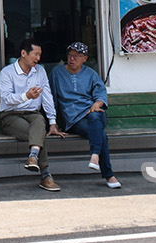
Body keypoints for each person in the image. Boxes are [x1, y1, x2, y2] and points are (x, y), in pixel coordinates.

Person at [51, 42, 120, 189]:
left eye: (77, 56)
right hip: (74, 118)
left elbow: (100, 93)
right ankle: (108, 174)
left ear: (85, 58)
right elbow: (52, 98)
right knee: (101, 135)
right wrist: (53, 122)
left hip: (93, 113)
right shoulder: (57, 73)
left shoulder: (90, 74)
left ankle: (95, 155)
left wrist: (97, 104)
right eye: (70, 55)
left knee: (95, 116)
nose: (72, 59)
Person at [0, 39, 61, 192]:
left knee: (39, 120)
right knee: (38, 134)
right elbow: (6, 98)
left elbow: (47, 96)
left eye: (40, 55)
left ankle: (33, 156)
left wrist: (52, 121)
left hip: (33, 114)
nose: (38, 58)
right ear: (23, 53)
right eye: (35, 54)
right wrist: (26, 96)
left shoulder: (40, 71)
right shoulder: (7, 72)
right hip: (10, 115)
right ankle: (45, 175)